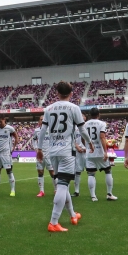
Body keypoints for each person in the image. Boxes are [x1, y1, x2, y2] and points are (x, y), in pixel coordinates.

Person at [41, 82, 89, 232]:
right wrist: (90, 143)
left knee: (63, 184)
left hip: (53, 151)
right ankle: (53, 222)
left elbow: (43, 130)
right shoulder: (74, 108)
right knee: (62, 185)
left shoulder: (48, 108)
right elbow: (81, 129)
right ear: (71, 93)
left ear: (56, 93)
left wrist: (39, 148)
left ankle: (73, 215)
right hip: (67, 151)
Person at [83, 107, 117, 201]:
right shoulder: (102, 123)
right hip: (100, 151)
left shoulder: (85, 124)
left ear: (90, 115)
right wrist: (105, 152)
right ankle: (109, 194)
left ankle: (93, 196)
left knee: (91, 174)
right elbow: (102, 137)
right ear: (99, 114)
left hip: (90, 152)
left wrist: (87, 146)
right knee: (108, 171)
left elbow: (83, 137)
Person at [0, 116, 17, 197]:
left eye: (0, 121)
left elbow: (16, 137)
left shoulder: (10, 128)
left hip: (6, 153)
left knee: (9, 171)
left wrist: (13, 147)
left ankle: (12, 190)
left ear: (4, 120)